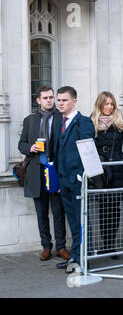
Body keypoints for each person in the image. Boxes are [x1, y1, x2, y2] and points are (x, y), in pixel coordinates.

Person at [18, 86, 70, 262]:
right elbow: (21, 143)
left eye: (51, 97)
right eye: (45, 98)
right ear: (38, 100)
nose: (50, 100)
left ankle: (61, 247)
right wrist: (29, 148)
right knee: (41, 212)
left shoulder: (60, 118)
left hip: (54, 170)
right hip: (35, 170)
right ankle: (46, 246)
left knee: (58, 211)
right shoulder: (30, 120)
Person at [54, 86, 95, 269]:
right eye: (59, 100)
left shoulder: (83, 122)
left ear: (74, 101)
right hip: (64, 181)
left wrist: (80, 176)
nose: (60, 103)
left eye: (64, 100)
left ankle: (83, 258)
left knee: (81, 220)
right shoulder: (59, 123)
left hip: (78, 180)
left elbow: (87, 150)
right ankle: (75, 256)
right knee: (72, 220)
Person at [90, 92, 123, 258]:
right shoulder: (91, 122)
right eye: (106, 104)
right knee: (103, 208)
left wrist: (119, 160)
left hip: (117, 171)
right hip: (100, 173)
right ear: (100, 104)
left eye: (111, 104)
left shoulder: (121, 122)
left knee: (114, 209)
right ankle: (104, 244)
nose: (109, 107)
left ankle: (110, 245)